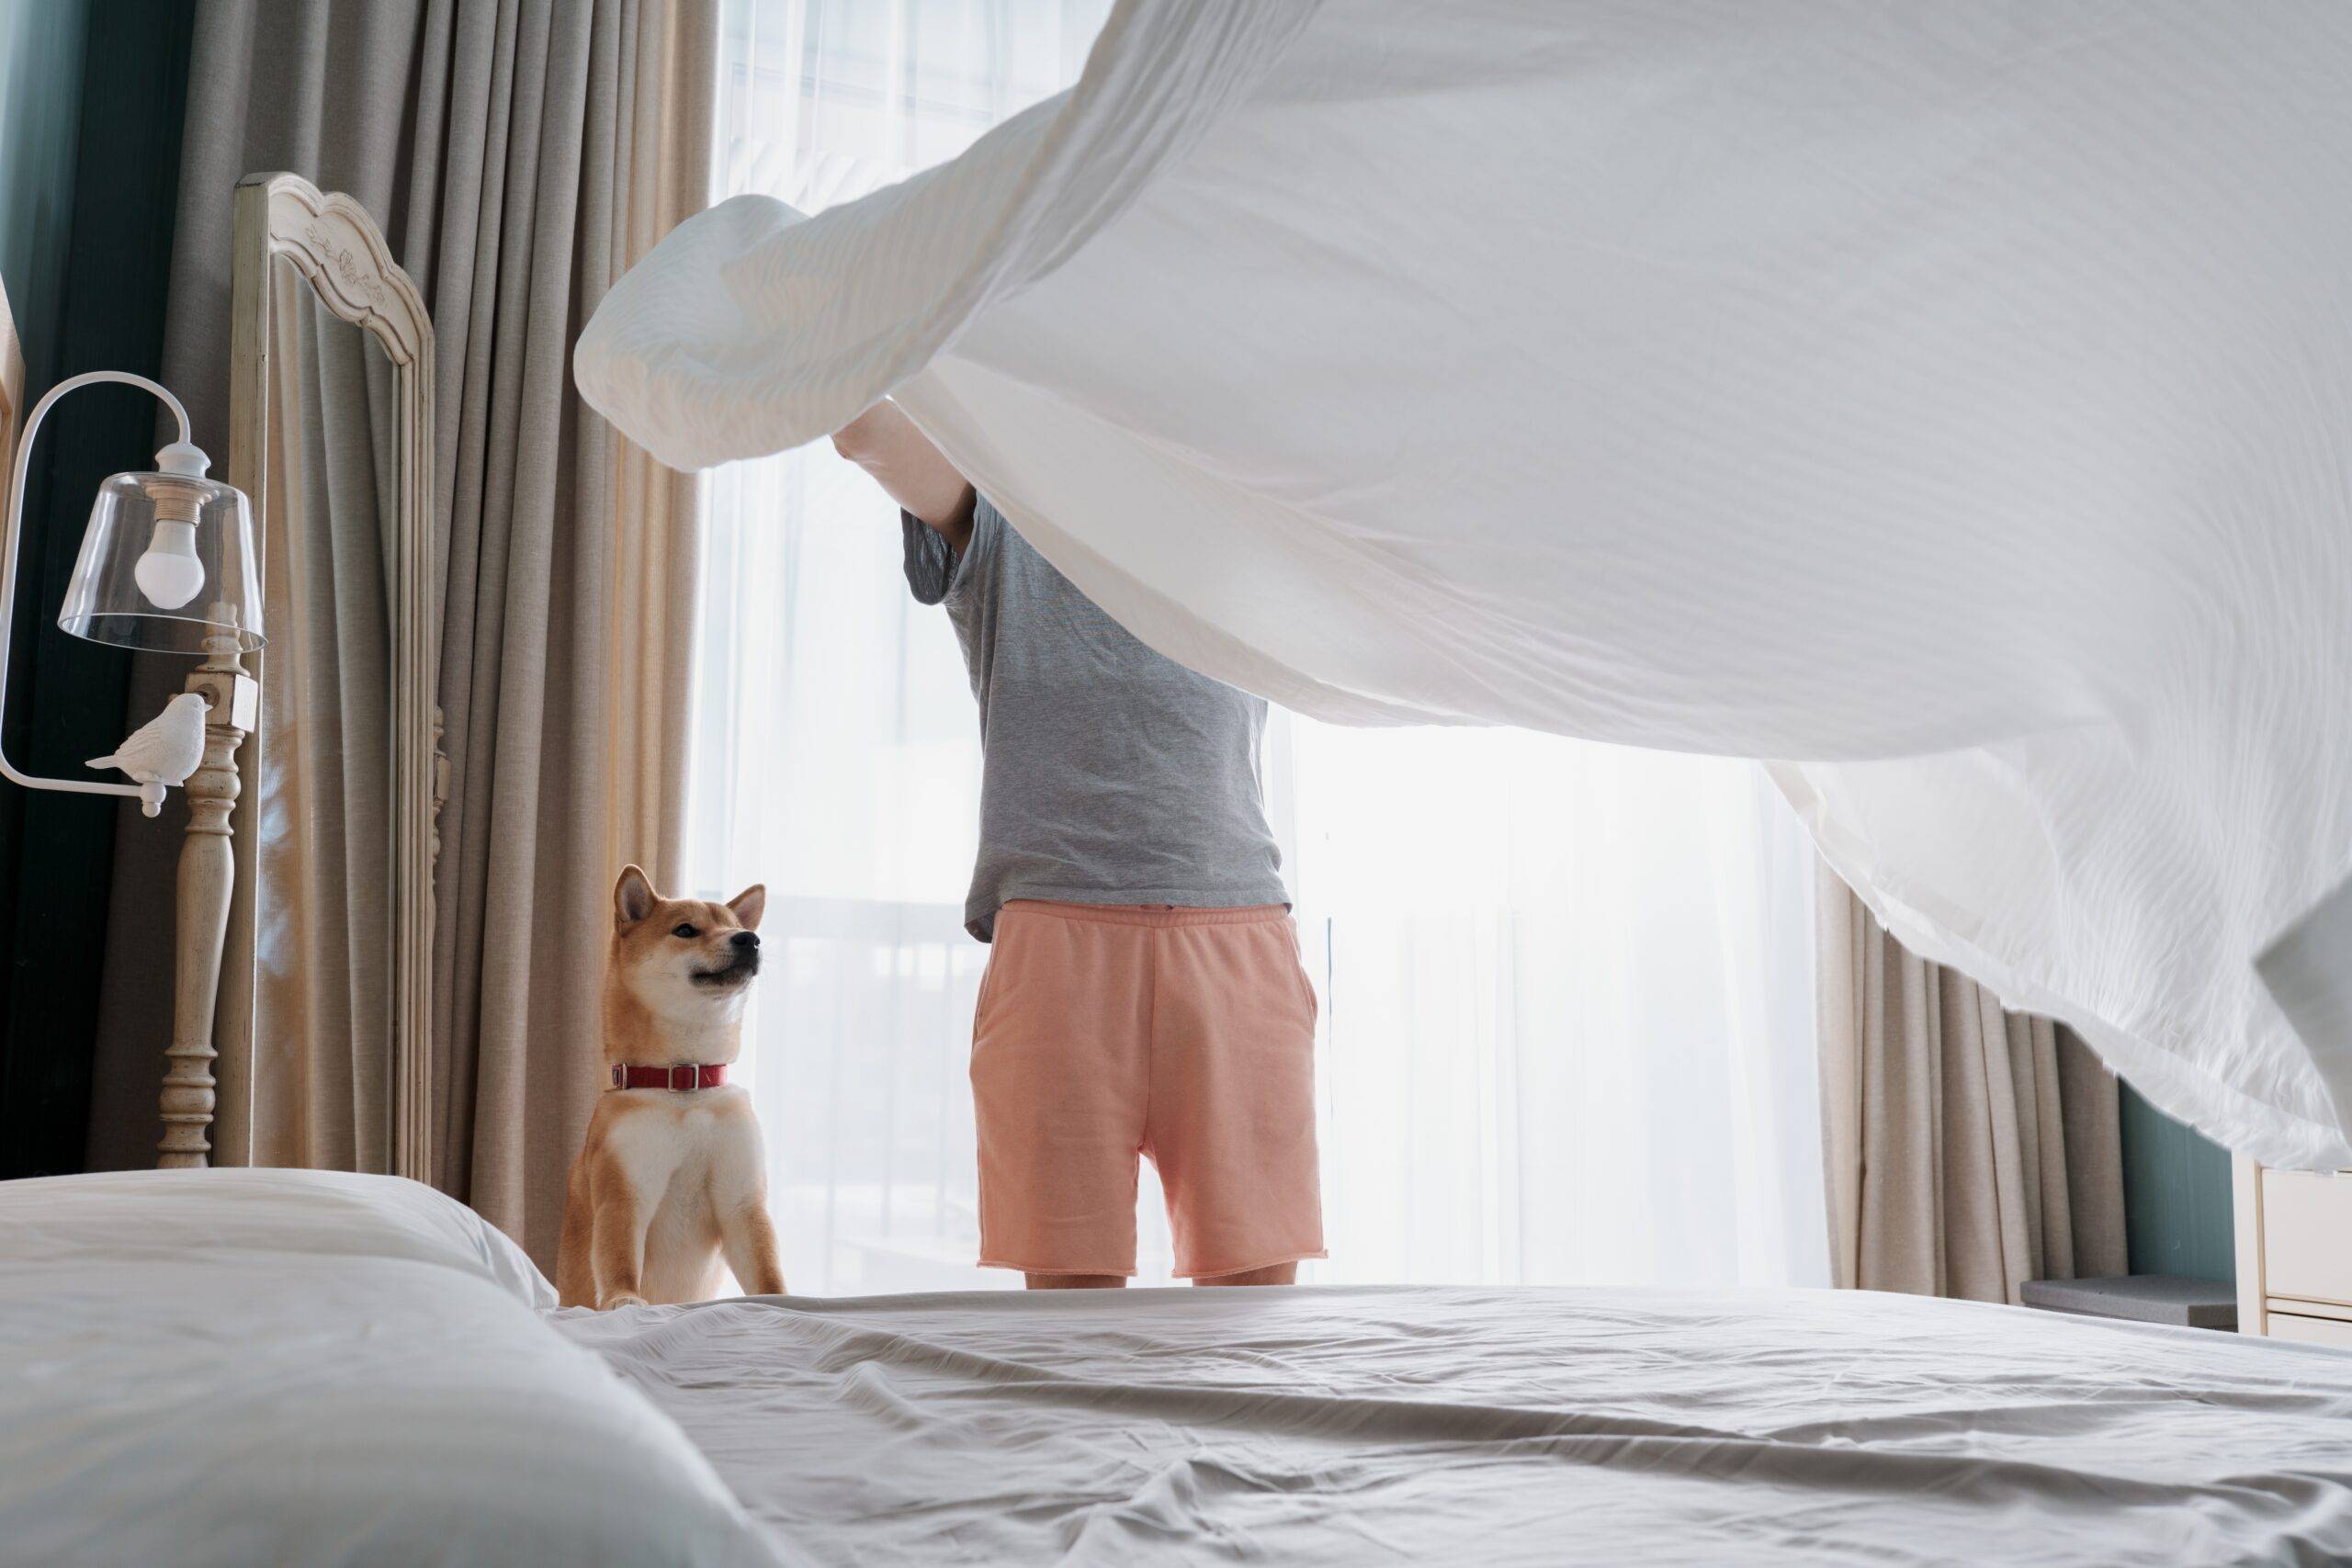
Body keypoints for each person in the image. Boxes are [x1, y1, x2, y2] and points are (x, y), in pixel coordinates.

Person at [832, 400, 1323, 1290]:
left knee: (1255, 1350)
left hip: (1233, 945)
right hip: (1060, 960)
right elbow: (862, 427)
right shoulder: (1004, 515)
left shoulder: (1237, 512)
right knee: (1072, 1352)